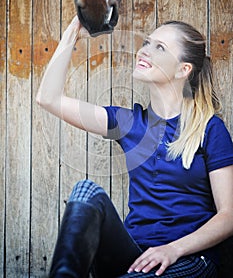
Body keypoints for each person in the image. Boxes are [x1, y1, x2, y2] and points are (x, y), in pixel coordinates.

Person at [36, 16, 233, 278]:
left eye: (159, 47)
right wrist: (73, 32)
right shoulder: (129, 123)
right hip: (135, 257)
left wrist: (173, 250)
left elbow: (229, 216)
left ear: (182, 70)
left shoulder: (210, 129)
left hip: (189, 259)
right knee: (85, 191)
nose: (144, 50)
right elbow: (48, 98)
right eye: (147, 43)